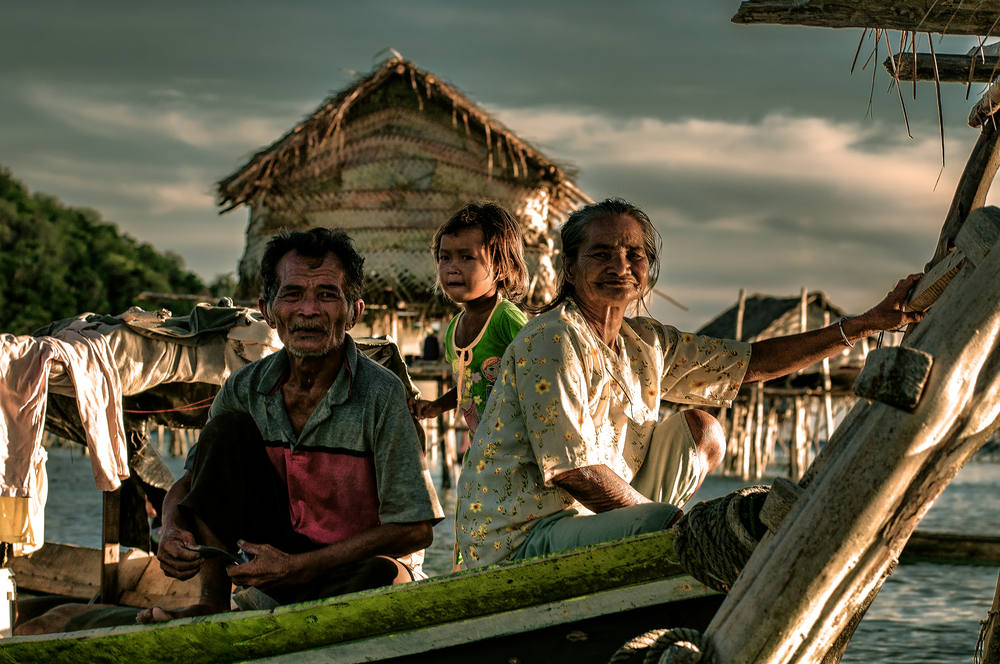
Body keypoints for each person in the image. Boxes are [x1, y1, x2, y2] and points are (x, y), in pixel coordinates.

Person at [455, 198, 924, 568]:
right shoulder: (552, 338)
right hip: (522, 537)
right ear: (571, 269)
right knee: (667, 525)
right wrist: (677, 530)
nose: (620, 264)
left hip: (588, 523)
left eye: (633, 254)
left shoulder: (645, 342)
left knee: (702, 429)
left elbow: (750, 362)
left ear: (647, 269)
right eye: (601, 254)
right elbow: (573, 471)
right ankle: (661, 541)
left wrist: (863, 324)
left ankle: (655, 537)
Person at [138, 228, 444, 623]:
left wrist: (302, 567)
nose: (309, 310)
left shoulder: (382, 394)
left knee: (383, 576)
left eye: (328, 295)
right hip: (273, 567)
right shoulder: (245, 388)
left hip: (350, 569)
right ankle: (212, 603)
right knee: (225, 430)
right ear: (268, 310)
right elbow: (192, 482)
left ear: (354, 312)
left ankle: (269, 610)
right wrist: (170, 526)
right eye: (293, 294)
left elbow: (417, 528)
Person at [410, 201, 530, 437]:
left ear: (500, 267)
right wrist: (436, 407)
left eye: (466, 257)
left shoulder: (505, 318)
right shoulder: (454, 328)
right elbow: (469, 386)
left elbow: (539, 374)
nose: (452, 268)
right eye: (445, 258)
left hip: (517, 453)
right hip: (480, 454)